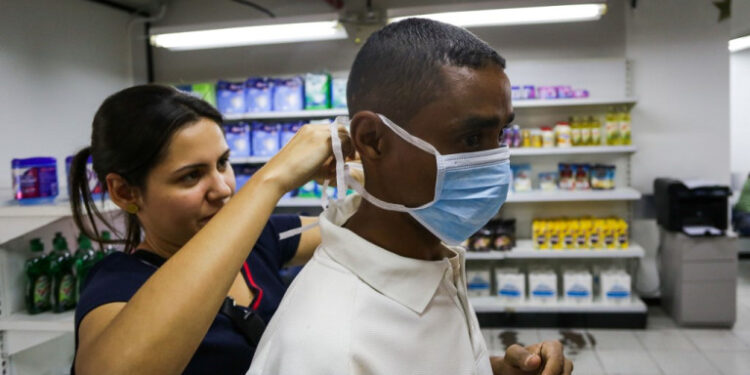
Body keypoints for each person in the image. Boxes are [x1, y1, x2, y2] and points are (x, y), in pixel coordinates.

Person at [248, 18, 573, 375]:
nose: (494, 162)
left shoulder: (428, 254)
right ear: (372, 139)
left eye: (500, 136)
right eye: (470, 139)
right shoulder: (329, 351)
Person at [69, 84, 357, 374]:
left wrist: (369, 175)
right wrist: (272, 179)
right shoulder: (118, 284)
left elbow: (359, 228)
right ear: (125, 192)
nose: (222, 189)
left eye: (222, 163)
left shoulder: (259, 238)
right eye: (191, 176)